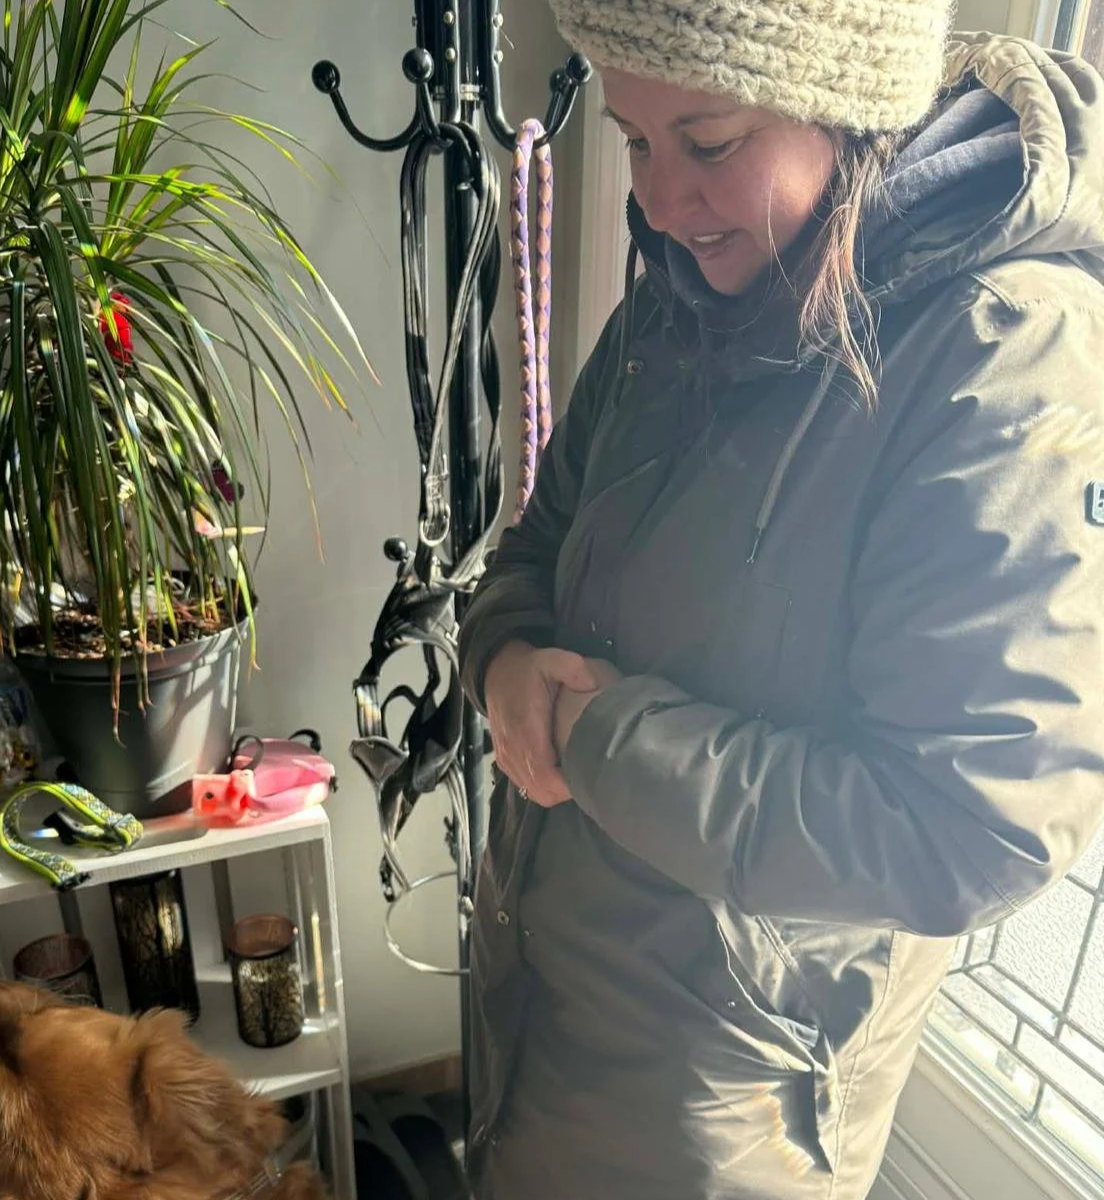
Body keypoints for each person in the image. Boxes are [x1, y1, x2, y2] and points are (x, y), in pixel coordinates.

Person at [456, 0, 1104, 1196]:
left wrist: (596, 739)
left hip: (726, 1109)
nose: (656, 201)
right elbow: (536, 547)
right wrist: (502, 664)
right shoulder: (684, 285)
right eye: (633, 140)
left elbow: (973, 821)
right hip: (545, 1005)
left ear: (848, 107)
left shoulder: (999, 359)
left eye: (705, 142)